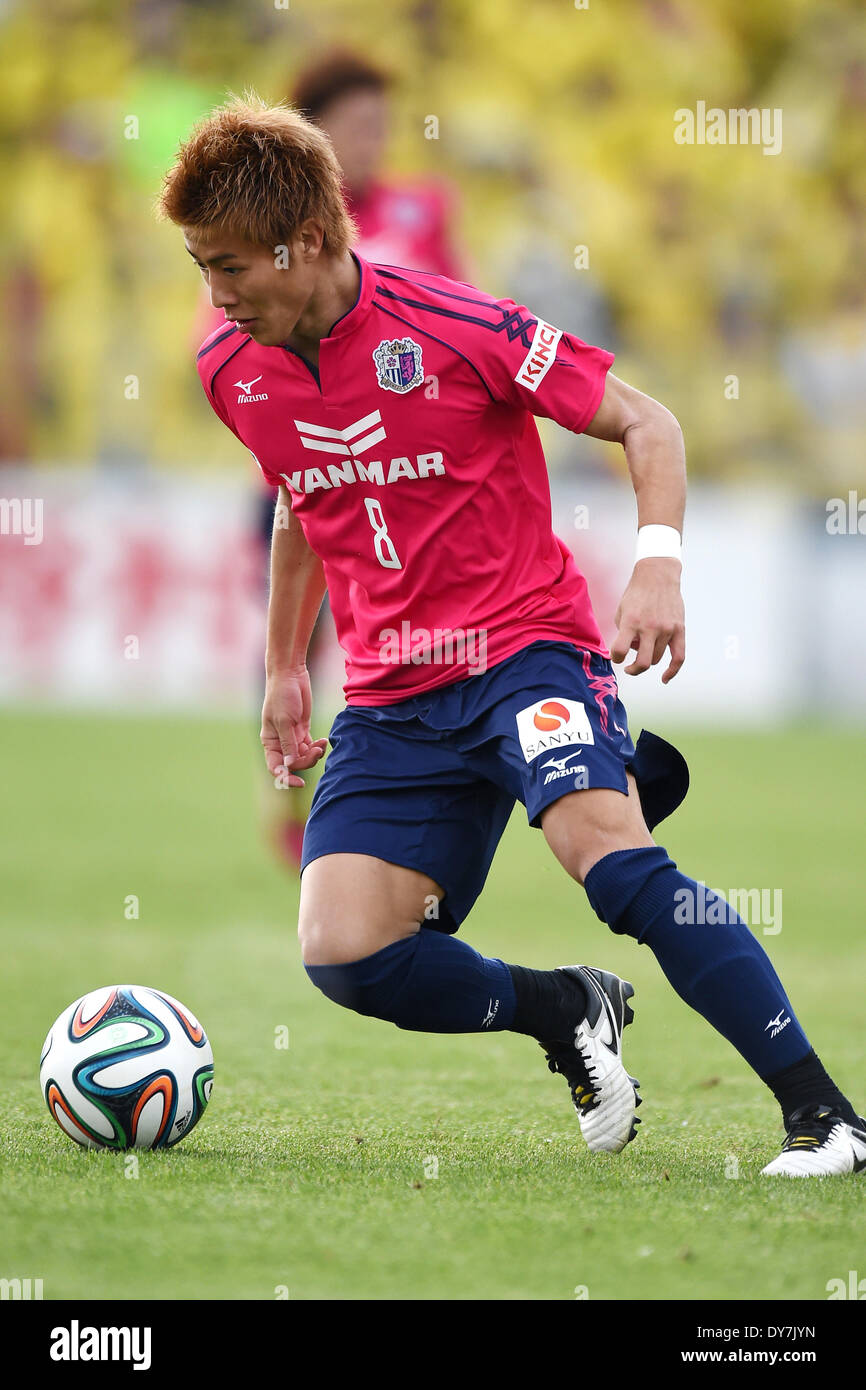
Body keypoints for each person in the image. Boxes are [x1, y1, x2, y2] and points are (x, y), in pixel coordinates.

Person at [159, 96, 866, 1175]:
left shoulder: (458, 327)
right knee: (345, 952)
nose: (214, 294)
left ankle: (824, 1115)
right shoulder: (230, 369)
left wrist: (659, 564)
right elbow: (304, 499)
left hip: (521, 652)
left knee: (615, 867)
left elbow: (647, 421)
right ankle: (564, 1010)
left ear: (303, 243)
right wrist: (280, 672)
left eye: (228, 267)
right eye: (201, 267)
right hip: (393, 698)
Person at [191, 52, 467, 870]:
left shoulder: (424, 209)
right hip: (302, 482)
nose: (374, 142)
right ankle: (287, 790)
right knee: (297, 643)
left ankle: (412, 799)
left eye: (382, 126)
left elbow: (468, 312)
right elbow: (220, 337)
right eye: (357, 128)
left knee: (406, 638)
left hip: (410, 475)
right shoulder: (264, 230)